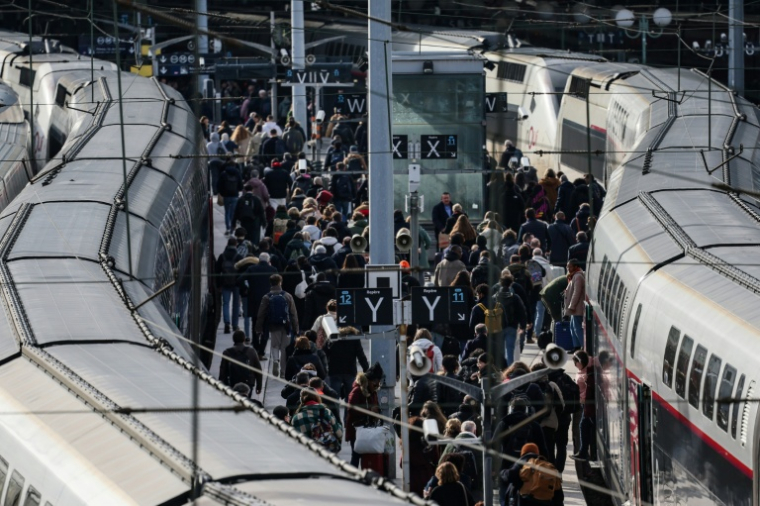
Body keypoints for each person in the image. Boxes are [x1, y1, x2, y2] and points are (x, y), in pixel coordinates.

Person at [494, 397, 548, 506]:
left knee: (504, 497)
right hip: (530, 468)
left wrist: (493, 469)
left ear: (511, 408)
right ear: (526, 409)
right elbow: (543, 449)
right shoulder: (534, 425)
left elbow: (494, 446)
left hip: (507, 467)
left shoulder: (504, 423)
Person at [255, 274, 300, 378]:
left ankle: (275, 360)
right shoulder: (287, 296)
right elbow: (293, 314)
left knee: (275, 345)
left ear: (270, 283)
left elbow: (261, 314)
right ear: (280, 282)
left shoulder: (266, 297)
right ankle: (283, 372)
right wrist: (296, 328)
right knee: (284, 349)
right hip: (287, 326)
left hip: (273, 325)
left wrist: (259, 328)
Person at [345, 363, 384, 467]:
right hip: (356, 430)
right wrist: (369, 410)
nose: (377, 386)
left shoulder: (372, 391)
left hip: (369, 429)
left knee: (367, 457)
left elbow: (376, 406)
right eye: (375, 383)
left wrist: (377, 412)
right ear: (369, 381)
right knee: (356, 456)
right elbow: (352, 409)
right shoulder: (357, 391)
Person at [290, 388, 343, 453]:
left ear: (301, 400)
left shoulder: (297, 418)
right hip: (326, 452)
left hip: (306, 454)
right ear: (317, 397)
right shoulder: (327, 412)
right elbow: (339, 434)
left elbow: (293, 441)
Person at [219, 330, 263, 397]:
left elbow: (222, 371)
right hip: (248, 383)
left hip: (231, 383)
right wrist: (259, 386)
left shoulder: (227, 352)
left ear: (233, 339)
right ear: (244, 339)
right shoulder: (251, 351)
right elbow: (258, 370)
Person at [571, 350, 595, 462]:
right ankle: (584, 452)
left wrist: (582, 399)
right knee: (585, 427)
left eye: (576, 362)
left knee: (583, 426)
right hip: (586, 404)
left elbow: (588, 389)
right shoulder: (586, 368)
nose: (575, 365)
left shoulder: (586, 374)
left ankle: (583, 453)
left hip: (587, 404)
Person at [216, 238, 243, 334]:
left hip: (225, 282)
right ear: (236, 245)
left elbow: (217, 271)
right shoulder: (239, 257)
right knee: (236, 304)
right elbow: (242, 271)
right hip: (236, 283)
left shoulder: (222, 256)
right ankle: (235, 325)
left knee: (226, 303)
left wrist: (218, 285)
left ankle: (227, 323)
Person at [564, 259, 586, 351]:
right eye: (567, 266)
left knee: (577, 328)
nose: (568, 268)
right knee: (573, 327)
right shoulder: (573, 276)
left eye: (570, 266)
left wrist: (572, 306)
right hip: (574, 308)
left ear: (576, 267)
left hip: (577, 307)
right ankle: (576, 346)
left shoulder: (578, 276)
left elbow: (577, 292)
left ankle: (583, 347)